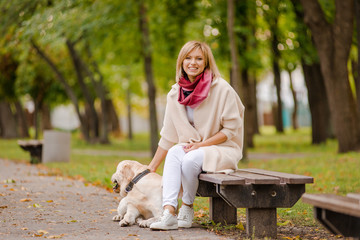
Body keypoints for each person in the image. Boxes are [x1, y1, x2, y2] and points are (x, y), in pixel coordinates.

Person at [148, 40, 244, 230]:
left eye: (199, 58)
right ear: (181, 62)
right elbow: (169, 135)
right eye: (188, 58)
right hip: (193, 146)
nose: (193, 62)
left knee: (190, 158)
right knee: (176, 153)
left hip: (222, 148)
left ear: (206, 63)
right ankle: (168, 213)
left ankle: (187, 207)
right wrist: (152, 167)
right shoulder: (175, 93)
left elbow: (231, 129)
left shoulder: (221, 89)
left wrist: (202, 145)